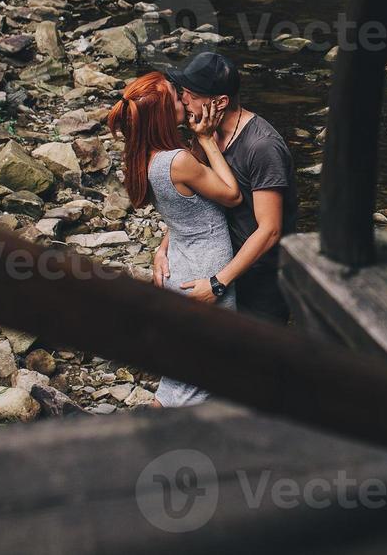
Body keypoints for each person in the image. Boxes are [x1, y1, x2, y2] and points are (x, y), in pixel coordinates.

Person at [106, 72, 241, 408]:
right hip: (205, 270)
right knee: (193, 378)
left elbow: (182, 211)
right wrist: (207, 139)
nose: (183, 98)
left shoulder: (143, 157)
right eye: (174, 96)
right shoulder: (178, 161)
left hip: (179, 263)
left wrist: (160, 248)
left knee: (189, 371)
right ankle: (143, 447)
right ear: (163, 115)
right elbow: (232, 195)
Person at [159, 51, 297, 323]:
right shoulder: (204, 132)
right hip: (223, 265)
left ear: (220, 102)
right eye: (183, 92)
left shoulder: (262, 147)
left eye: (192, 96)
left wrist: (217, 284)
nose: (183, 101)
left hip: (261, 280)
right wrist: (163, 249)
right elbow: (193, 201)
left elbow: (270, 230)